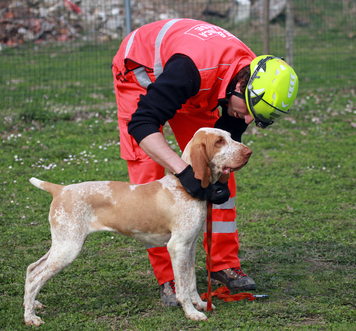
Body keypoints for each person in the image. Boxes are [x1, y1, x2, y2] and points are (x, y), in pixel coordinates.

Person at [112, 18, 298, 306]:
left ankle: (223, 262)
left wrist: (220, 182)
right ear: (239, 85)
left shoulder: (249, 82)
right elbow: (142, 123)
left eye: (257, 117)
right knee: (148, 176)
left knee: (220, 163)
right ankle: (169, 277)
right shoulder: (192, 69)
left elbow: (230, 136)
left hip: (202, 91)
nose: (248, 120)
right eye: (248, 111)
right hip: (141, 73)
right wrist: (184, 171)